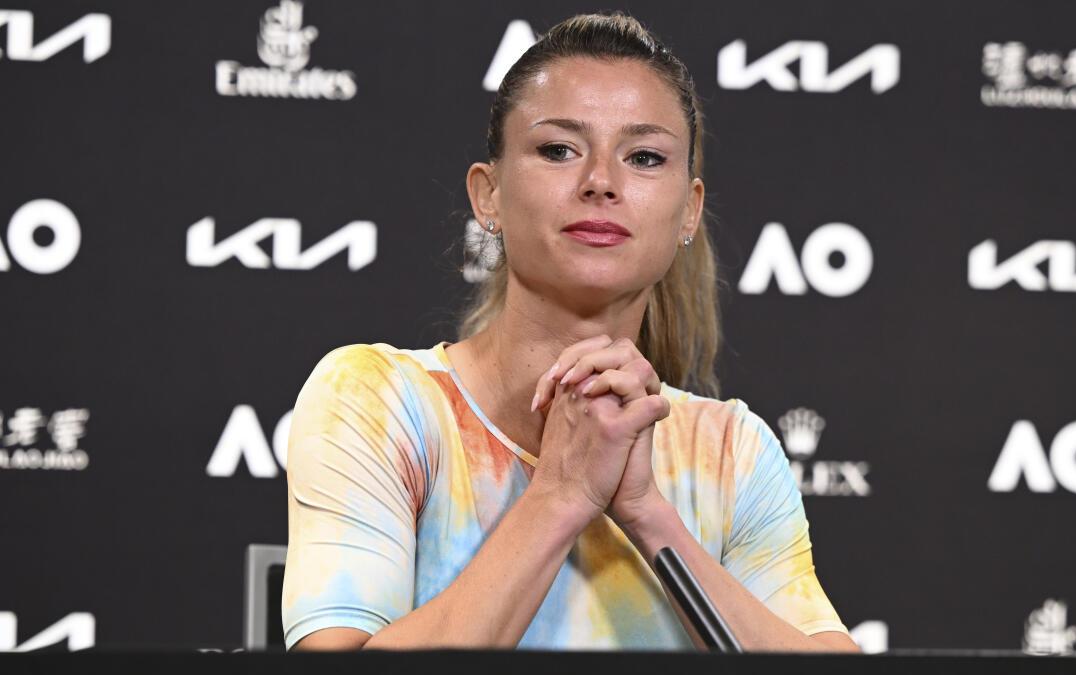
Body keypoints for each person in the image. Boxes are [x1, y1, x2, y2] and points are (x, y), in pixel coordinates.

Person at [281, 12, 859, 653]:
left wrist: (647, 512)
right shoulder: (378, 400)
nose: (601, 183)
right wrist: (563, 492)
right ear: (488, 195)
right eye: (558, 150)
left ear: (689, 211)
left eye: (644, 157)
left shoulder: (731, 450)